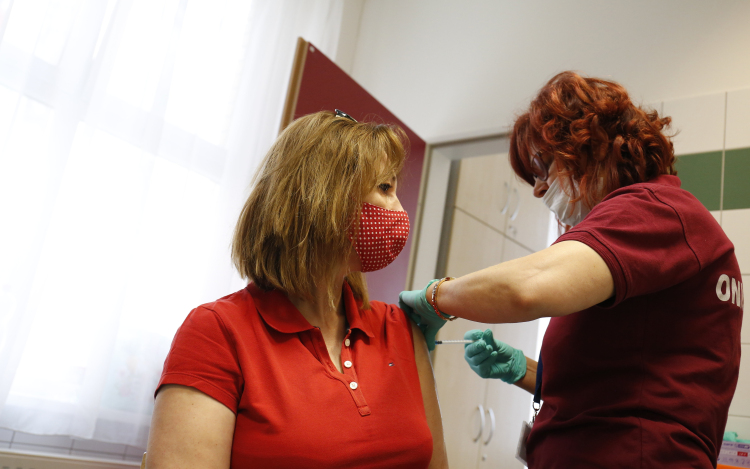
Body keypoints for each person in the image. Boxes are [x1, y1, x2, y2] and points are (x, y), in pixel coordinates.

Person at [400, 72, 742, 468]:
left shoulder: (652, 209)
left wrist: (436, 297)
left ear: (592, 144)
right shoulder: (667, 224)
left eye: (542, 166)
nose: (537, 189)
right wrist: (523, 370)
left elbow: (527, 288)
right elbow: (629, 385)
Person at [145, 110, 448, 468]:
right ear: (325, 199)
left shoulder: (399, 328)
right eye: (385, 188)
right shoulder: (217, 332)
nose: (398, 209)